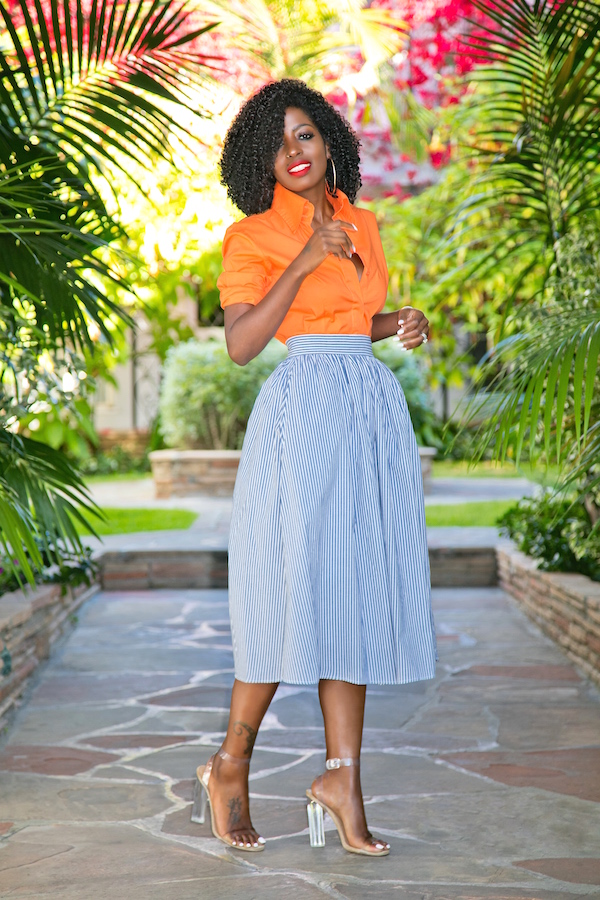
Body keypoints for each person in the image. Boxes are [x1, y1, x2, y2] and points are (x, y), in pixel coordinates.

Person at [191, 79, 437, 857]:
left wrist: (393, 322)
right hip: (300, 417)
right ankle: (230, 765)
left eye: (304, 135)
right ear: (258, 163)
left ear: (329, 139)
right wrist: (300, 258)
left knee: (353, 592)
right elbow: (242, 343)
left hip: (364, 407)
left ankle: (343, 779)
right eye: (276, 143)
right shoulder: (250, 237)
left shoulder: (364, 220)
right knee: (286, 595)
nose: (293, 153)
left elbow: (348, 320)